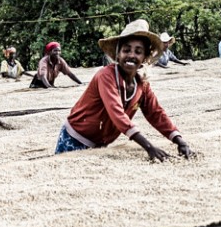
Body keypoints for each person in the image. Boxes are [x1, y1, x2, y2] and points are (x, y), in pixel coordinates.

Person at [54, 19, 197, 162]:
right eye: (126, 50)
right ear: (118, 54)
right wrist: (148, 147)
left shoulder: (141, 84)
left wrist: (179, 141)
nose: (131, 55)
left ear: (145, 57)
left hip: (100, 144)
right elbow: (117, 114)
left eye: (138, 52)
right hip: (75, 138)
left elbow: (156, 113)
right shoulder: (106, 76)